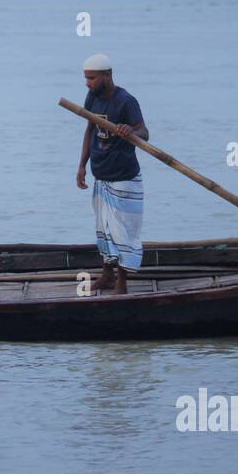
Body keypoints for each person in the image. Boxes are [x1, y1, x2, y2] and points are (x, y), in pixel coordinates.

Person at [76, 54, 148, 294]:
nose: (88, 83)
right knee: (104, 229)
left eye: (92, 78)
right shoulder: (92, 97)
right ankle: (107, 274)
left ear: (107, 75)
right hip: (101, 175)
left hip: (124, 177)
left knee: (123, 231)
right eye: (86, 78)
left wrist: (130, 130)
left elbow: (144, 132)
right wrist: (82, 166)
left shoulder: (126, 101)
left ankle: (122, 282)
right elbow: (89, 130)